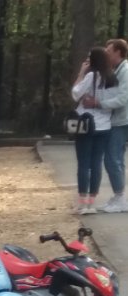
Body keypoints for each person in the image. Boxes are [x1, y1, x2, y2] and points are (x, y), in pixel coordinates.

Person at [83, 38, 128, 213]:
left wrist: (98, 103)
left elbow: (123, 98)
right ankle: (119, 196)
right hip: (118, 118)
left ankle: (120, 197)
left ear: (118, 52)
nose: (107, 54)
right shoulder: (118, 70)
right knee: (116, 158)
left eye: (109, 51)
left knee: (112, 158)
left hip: (120, 120)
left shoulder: (125, 71)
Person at [71, 47, 117, 215]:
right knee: (96, 163)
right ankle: (92, 202)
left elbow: (76, 94)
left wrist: (80, 73)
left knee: (84, 163)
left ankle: (82, 203)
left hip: (87, 124)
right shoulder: (112, 77)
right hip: (104, 125)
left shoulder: (91, 76)